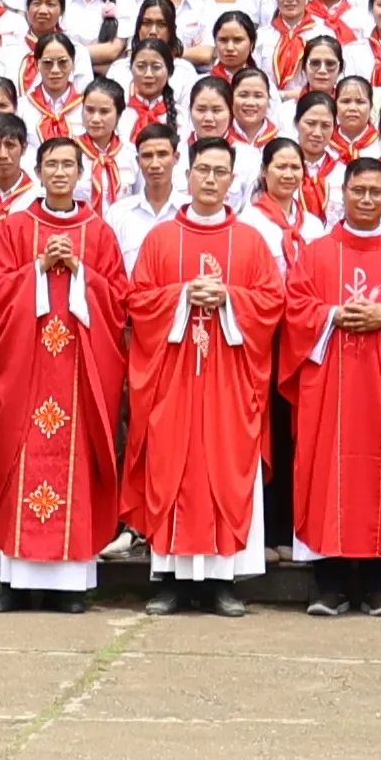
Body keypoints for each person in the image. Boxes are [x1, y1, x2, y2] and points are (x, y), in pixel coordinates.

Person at [124, 137, 285, 609]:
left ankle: (222, 582)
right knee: (171, 469)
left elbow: (272, 302)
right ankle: (171, 580)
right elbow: (137, 300)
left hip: (230, 380)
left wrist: (229, 298)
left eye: (220, 172)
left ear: (232, 180)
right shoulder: (161, 239)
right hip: (173, 380)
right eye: (203, 170)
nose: (211, 179)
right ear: (188, 175)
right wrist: (181, 296)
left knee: (224, 470)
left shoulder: (250, 241)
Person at [0, 126, 130, 610]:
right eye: (51, 165)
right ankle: (15, 583)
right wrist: (38, 269)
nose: (60, 172)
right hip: (27, 370)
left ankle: (70, 586)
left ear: (81, 173)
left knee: (75, 465)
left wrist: (81, 271)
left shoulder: (99, 233)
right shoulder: (15, 228)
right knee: (19, 457)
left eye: (68, 165)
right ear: (38, 172)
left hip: (81, 373)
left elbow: (119, 300)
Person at [285, 146, 381, 613]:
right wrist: (332, 314)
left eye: (375, 192)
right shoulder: (316, 255)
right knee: (323, 475)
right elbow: (295, 308)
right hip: (328, 388)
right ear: (343, 193)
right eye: (359, 191)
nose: (367, 199)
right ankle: (329, 586)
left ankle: (379, 587)